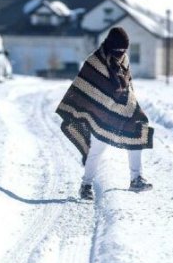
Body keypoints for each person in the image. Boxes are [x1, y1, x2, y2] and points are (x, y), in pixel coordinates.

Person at [56, 27, 154, 200]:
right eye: (118, 50)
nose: (121, 53)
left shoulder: (124, 59)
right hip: (101, 113)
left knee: (137, 134)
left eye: (124, 50)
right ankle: (86, 185)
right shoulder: (94, 61)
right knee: (97, 150)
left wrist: (131, 104)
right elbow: (84, 86)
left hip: (124, 110)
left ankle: (136, 178)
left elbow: (128, 85)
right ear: (110, 46)